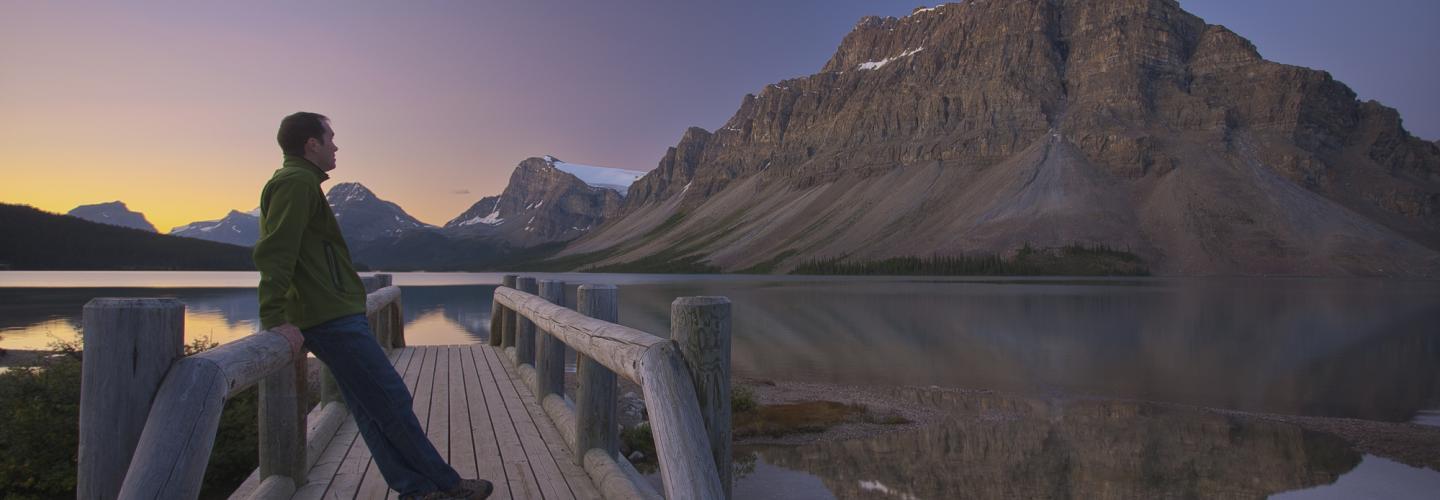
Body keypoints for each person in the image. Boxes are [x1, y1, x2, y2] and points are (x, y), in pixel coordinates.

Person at [253, 112, 492, 500]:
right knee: (391, 397)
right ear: (311, 144)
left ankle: (415, 489)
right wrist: (274, 319)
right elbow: (276, 252)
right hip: (329, 318)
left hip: (331, 312)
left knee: (369, 407)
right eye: (330, 138)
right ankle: (446, 484)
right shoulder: (296, 182)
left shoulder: (301, 183)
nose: (335, 146)